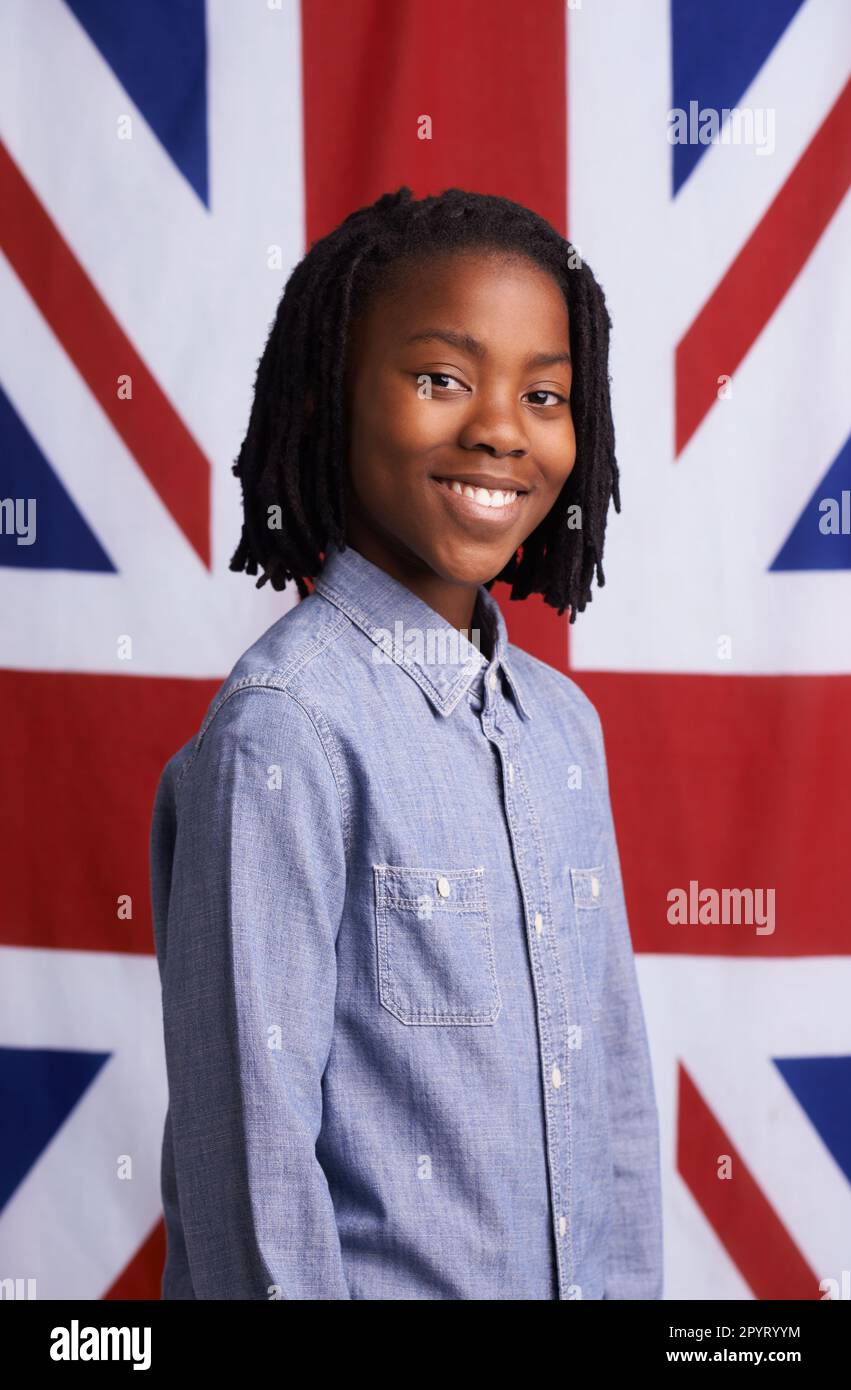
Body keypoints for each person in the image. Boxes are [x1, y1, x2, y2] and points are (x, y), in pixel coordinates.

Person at [149, 186, 663, 1300]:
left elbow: (615, 1099)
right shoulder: (283, 732)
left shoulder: (563, 732)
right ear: (329, 393)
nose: (496, 426)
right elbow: (253, 1171)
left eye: (543, 394)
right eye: (441, 378)